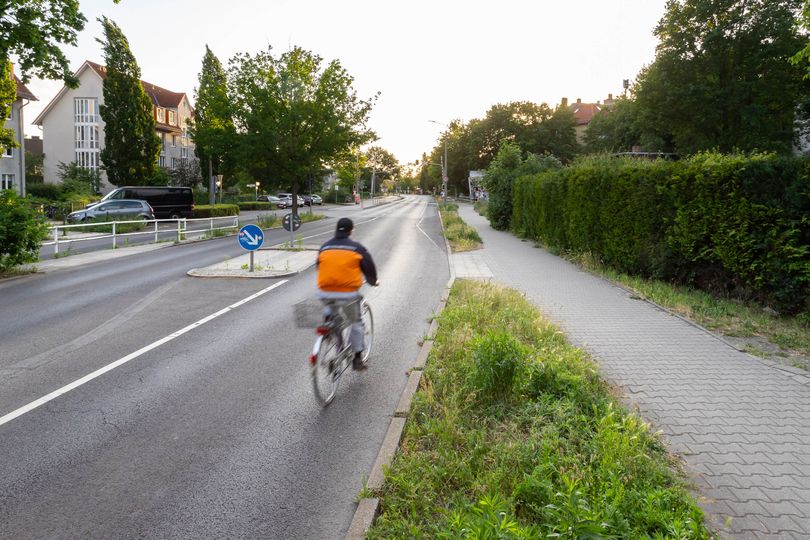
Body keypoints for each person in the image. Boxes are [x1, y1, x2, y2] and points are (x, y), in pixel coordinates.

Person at [316, 217, 378, 369]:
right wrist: (372, 281)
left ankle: (329, 325)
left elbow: (319, 266)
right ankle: (357, 359)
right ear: (351, 230)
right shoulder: (356, 248)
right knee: (356, 322)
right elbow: (369, 268)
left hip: (325, 293)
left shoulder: (324, 247)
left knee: (333, 313)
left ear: (336, 230)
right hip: (348, 295)